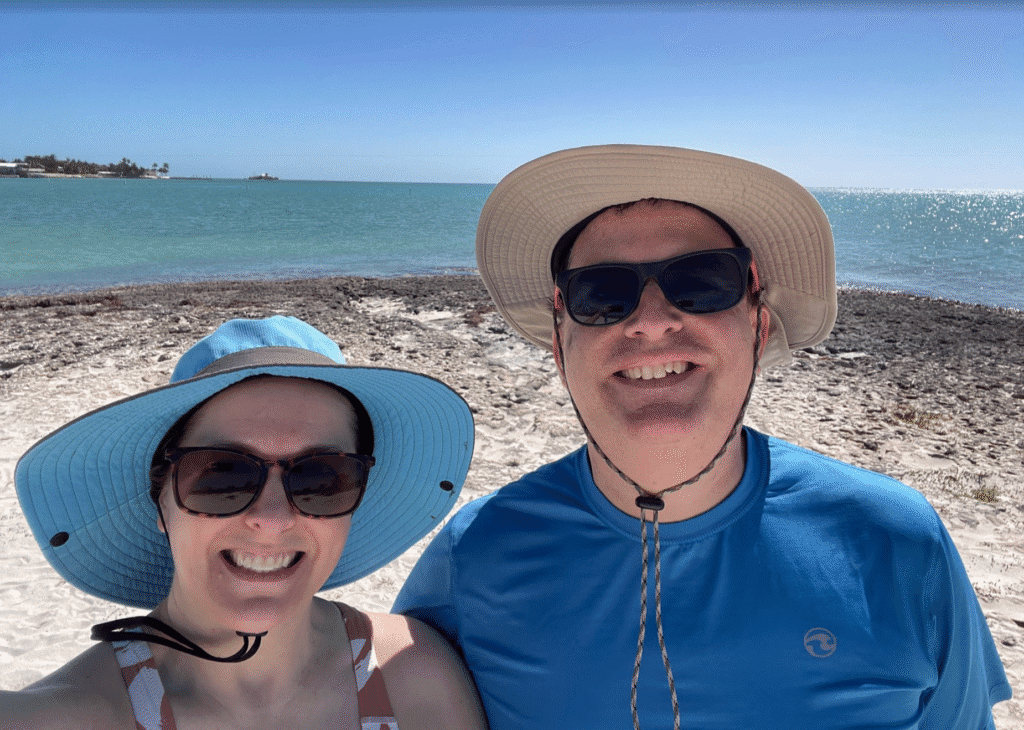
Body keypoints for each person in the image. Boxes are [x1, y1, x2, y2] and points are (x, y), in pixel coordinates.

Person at [393, 145, 1012, 728]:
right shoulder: (475, 555)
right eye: (602, 293)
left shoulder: (895, 541)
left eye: (702, 282)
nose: (653, 321)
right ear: (559, 348)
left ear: (759, 328)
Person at [3, 315, 487, 730]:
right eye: (221, 476)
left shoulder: (413, 671)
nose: (272, 518)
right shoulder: (66, 714)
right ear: (159, 504)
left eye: (321, 479)